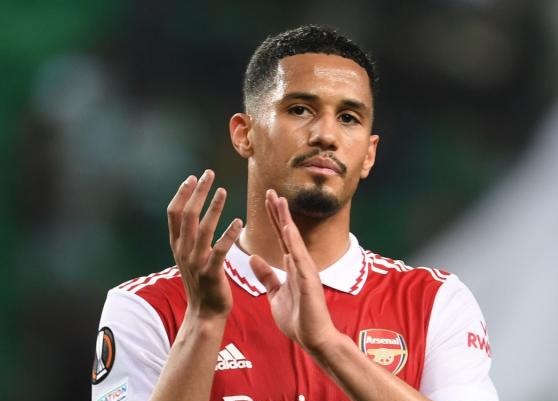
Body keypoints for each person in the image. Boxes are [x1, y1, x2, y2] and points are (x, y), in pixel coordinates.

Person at [91, 25, 498, 401]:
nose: (326, 135)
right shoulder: (147, 307)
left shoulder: (433, 302)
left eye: (348, 118)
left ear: (369, 154)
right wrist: (203, 323)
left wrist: (328, 344)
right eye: (300, 110)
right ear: (244, 134)